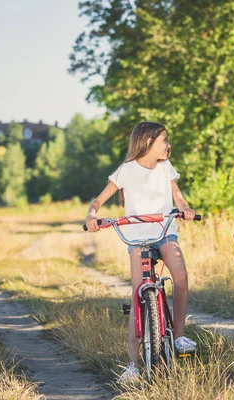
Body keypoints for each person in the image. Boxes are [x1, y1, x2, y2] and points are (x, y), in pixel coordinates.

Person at [84, 121, 197, 382]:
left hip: (164, 231)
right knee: (138, 296)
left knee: (180, 277)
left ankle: (178, 337)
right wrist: (92, 215)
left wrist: (186, 208)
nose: (168, 145)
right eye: (164, 140)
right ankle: (134, 365)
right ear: (148, 143)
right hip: (136, 237)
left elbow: (178, 197)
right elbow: (99, 200)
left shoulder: (166, 167)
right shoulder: (126, 171)